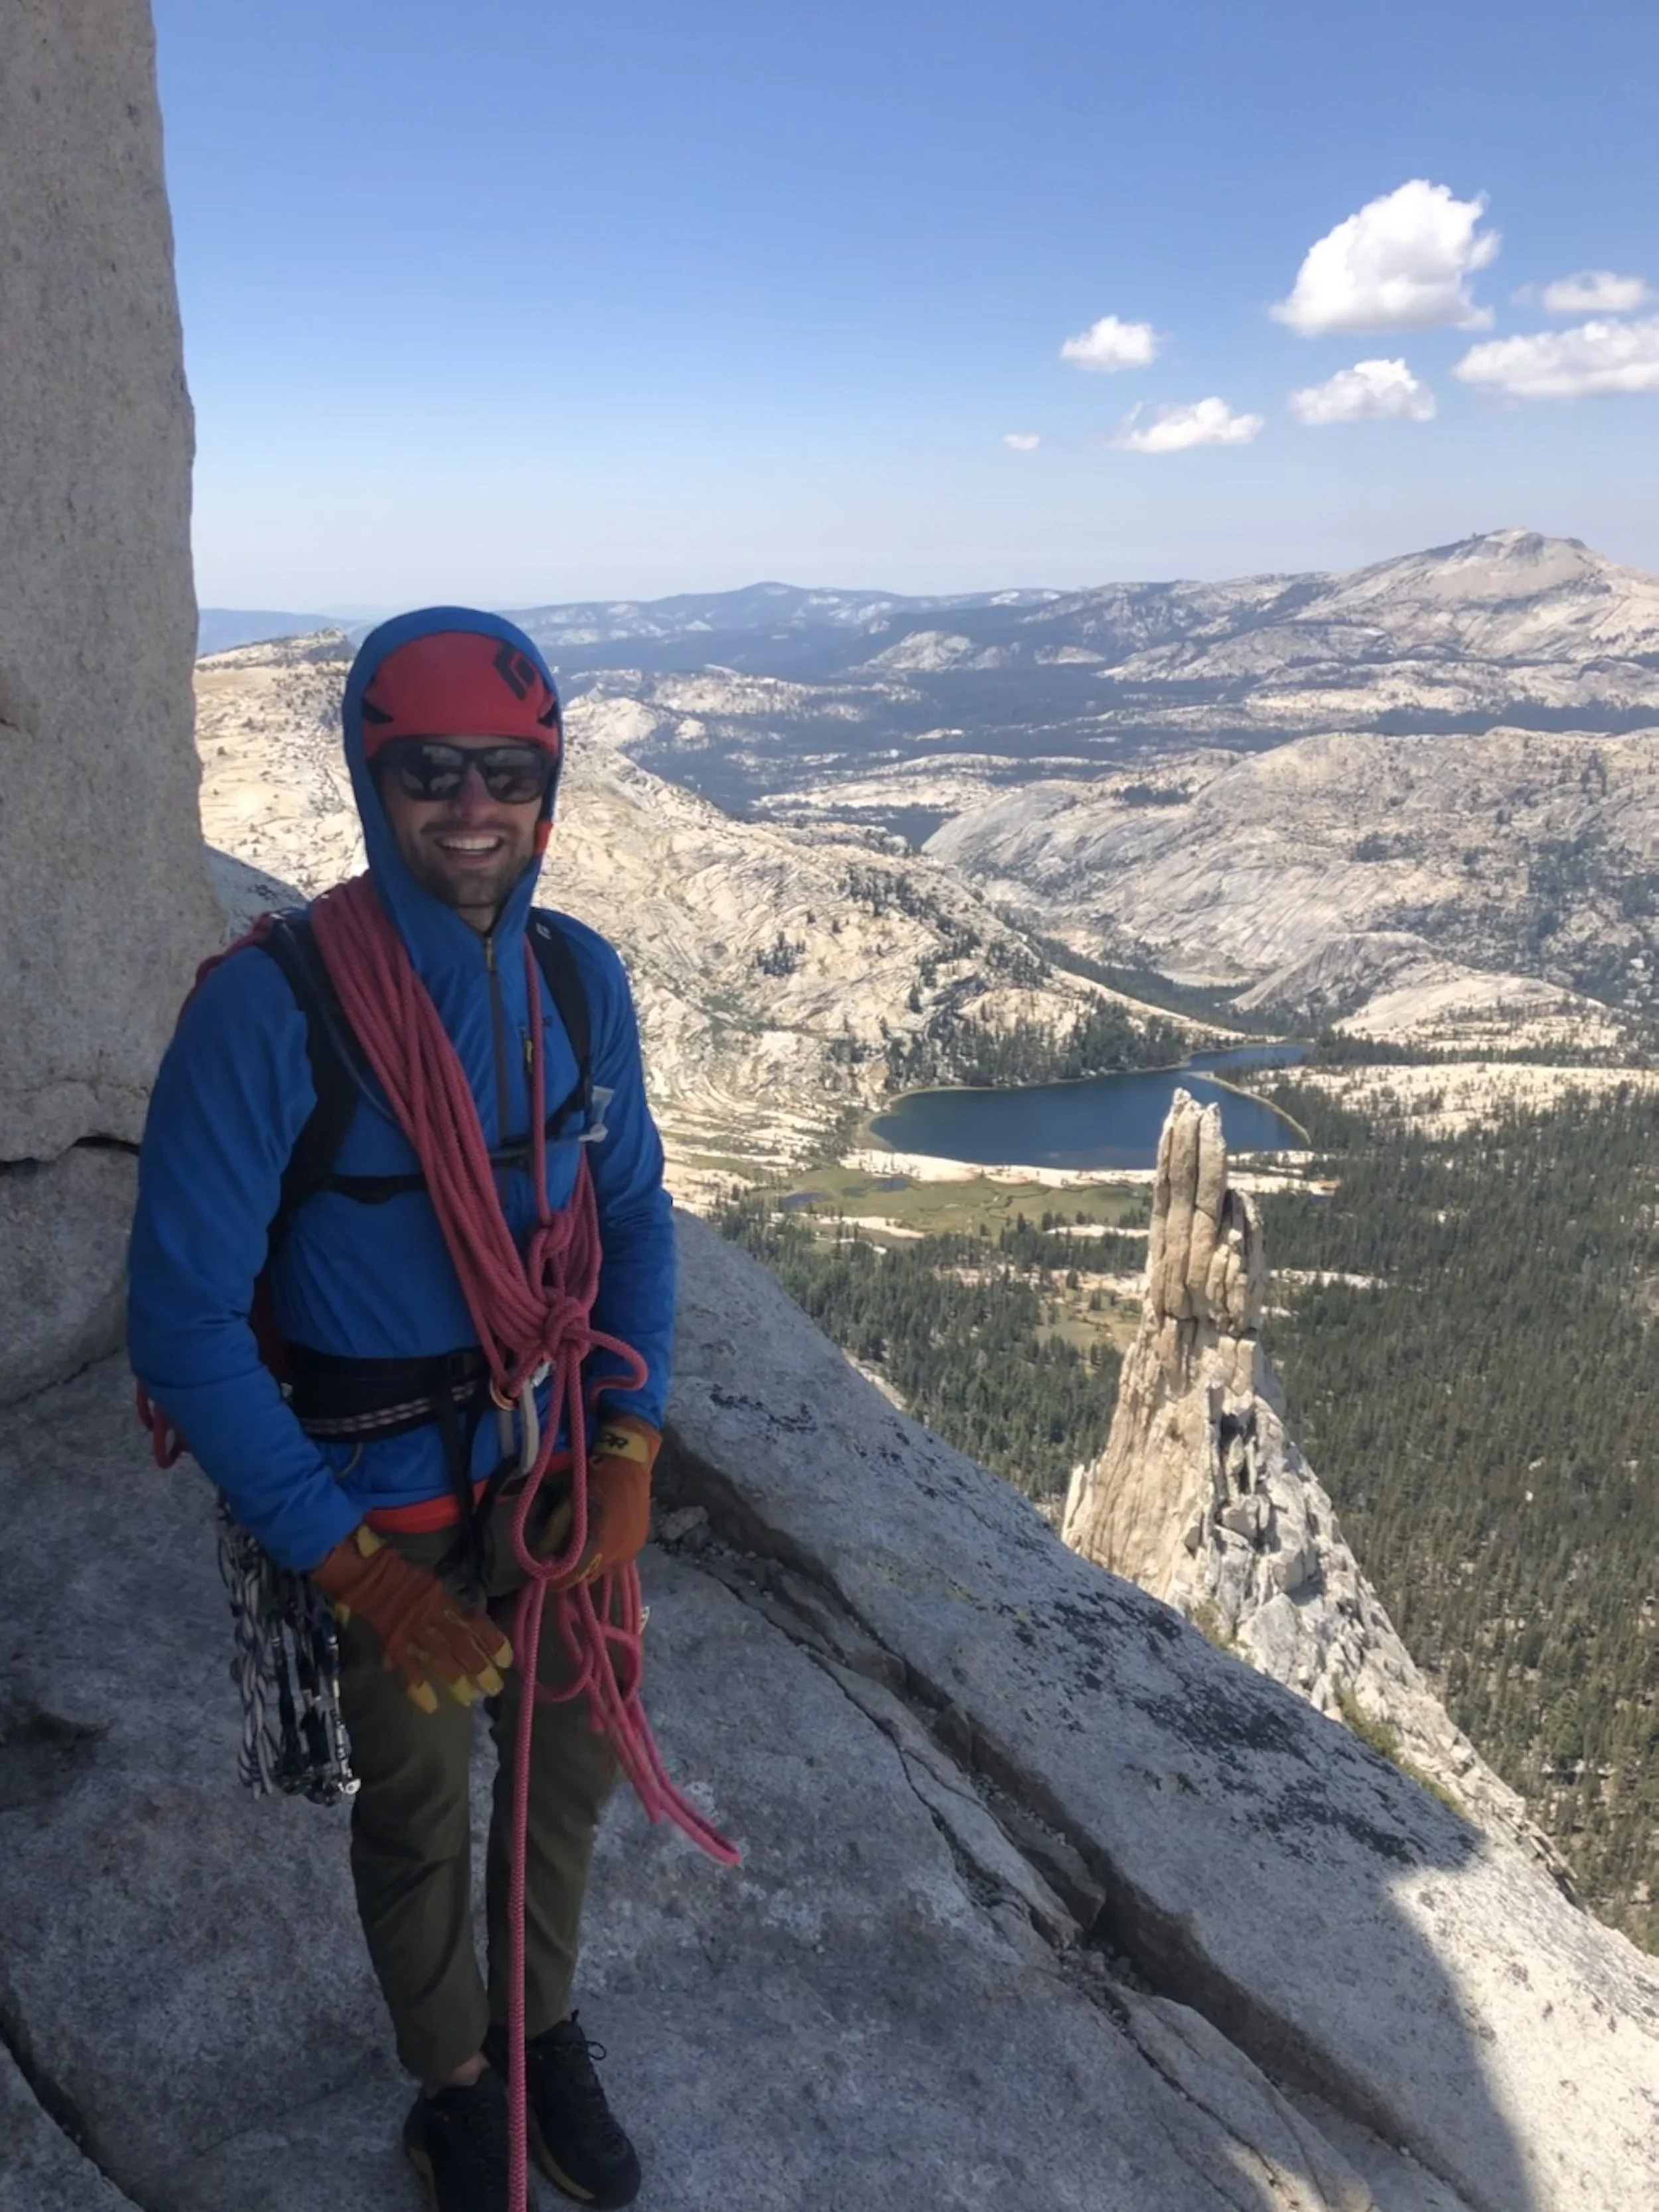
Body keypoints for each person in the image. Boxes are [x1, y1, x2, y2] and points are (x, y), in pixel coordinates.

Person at [128, 610, 676, 2212]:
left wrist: (630, 1439)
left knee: (567, 1766)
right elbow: (179, 1327)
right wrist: (348, 1564)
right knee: (423, 1792)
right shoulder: (272, 1009)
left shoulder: (578, 984)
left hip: (556, 1456)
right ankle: (454, 2075)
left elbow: (631, 1216)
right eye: (427, 770)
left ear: (548, 786)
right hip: (382, 1489)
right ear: (373, 781)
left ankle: (542, 2021)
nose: (470, 805)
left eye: (506, 772)